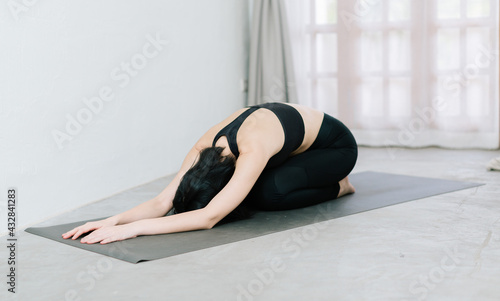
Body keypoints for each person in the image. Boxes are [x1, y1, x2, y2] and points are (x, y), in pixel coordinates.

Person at [62, 102, 358, 244]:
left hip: (335, 149)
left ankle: (340, 186)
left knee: (269, 194)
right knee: (250, 193)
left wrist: (134, 229)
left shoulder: (253, 149)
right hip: (294, 147)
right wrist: (112, 220)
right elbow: (162, 202)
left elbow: (209, 217)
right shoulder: (204, 147)